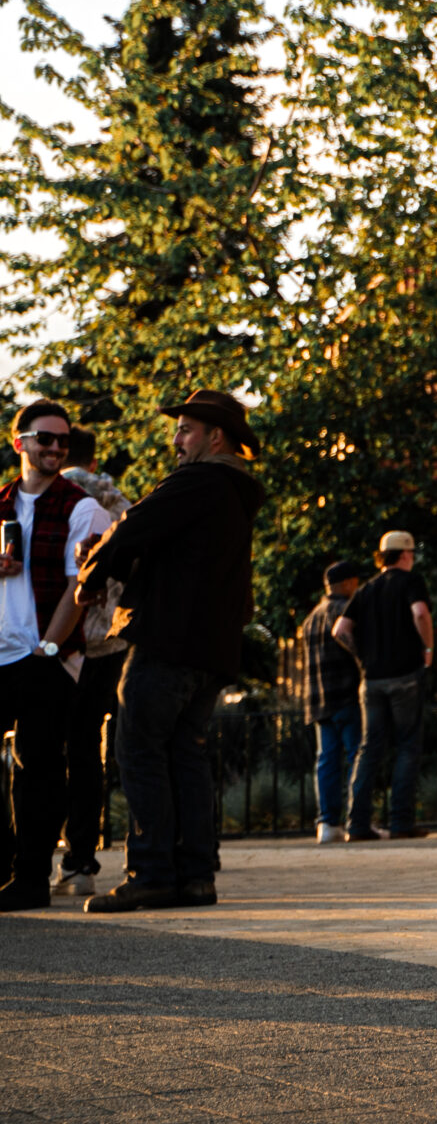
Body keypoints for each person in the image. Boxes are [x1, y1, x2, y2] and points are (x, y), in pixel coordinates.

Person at [76, 390, 262, 913]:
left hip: (167, 641)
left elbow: (135, 524)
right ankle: (195, 877)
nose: (176, 440)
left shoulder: (199, 480)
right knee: (186, 754)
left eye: (184, 429)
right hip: (213, 648)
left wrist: (92, 574)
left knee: (139, 750)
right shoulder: (236, 491)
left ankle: (152, 874)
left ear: (214, 436)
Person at [0, 401, 108, 910]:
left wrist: (48, 649)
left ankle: (29, 877)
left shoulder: (80, 506)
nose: (55, 449)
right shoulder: (0, 504)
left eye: (62, 441)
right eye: (45, 439)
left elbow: (80, 588)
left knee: (37, 767)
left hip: (44, 656)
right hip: (0, 653)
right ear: (19, 442)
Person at [52, 426, 130, 892]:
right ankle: (81, 859)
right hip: (110, 643)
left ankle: (40, 852)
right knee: (88, 750)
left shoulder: (56, 502)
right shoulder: (120, 505)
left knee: (42, 751)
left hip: (63, 640)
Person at [335, 531, 435, 842]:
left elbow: (340, 630)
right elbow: (419, 612)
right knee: (407, 746)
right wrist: (428, 648)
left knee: (369, 749)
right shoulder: (410, 581)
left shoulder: (366, 589)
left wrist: (362, 657)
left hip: (372, 680)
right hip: (405, 675)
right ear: (405, 555)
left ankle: (357, 824)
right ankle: (401, 822)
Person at [297, 561, 368, 843]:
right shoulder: (344, 611)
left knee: (326, 760)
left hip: (317, 699)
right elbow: (351, 642)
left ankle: (327, 823)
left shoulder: (311, 617)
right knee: (356, 756)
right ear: (350, 583)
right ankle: (356, 819)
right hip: (346, 694)